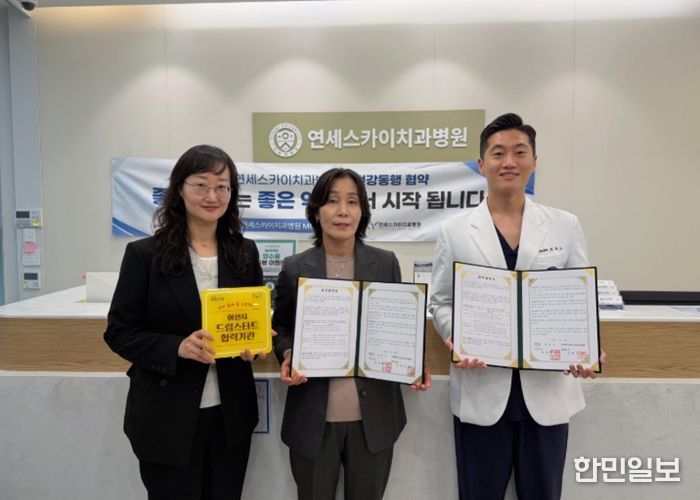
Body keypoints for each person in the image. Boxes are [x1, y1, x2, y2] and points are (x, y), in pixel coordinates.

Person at [429, 113, 606, 500]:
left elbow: (579, 300)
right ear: (482, 164)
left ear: (534, 161)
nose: (508, 161)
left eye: (519, 152)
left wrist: (587, 348)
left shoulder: (564, 225)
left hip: (547, 393)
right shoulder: (454, 231)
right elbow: (441, 301)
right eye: (498, 153)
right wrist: (456, 336)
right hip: (481, 391)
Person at [104, 144, 264, 500]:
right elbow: (119, 332)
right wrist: (177, 347)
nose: (213, 196)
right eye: (201, 185)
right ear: (179, 189)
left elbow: (252, 318)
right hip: (166, 416)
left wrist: (255, 342)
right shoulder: (145, 254)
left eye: (222, 186)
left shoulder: (244, 252)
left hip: (230, 416)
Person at [272, 167, 430, 500]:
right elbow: (281, 327)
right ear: (317, 211)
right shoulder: (294, 267)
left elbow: (398, 325)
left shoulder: (385, 263)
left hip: (374, 418)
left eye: (352, 202)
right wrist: (287, 353)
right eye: (332, 201)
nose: (342, 211)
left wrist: (413, 362)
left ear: (363, 212)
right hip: (312, 420)